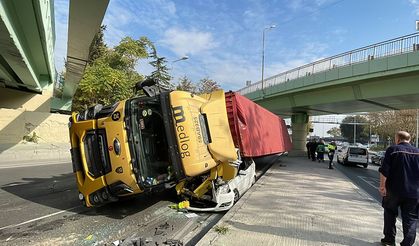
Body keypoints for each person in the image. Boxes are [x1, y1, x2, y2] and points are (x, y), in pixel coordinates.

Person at [378, 131, 419, 246]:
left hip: (393, 191)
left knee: (390, 213)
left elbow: (384, 170)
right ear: (409, 139)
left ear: (397, 139)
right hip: (414, 193)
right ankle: (407, 243)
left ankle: (389, 239)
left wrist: (382, 186)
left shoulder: (392, 150)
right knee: (411, 219)